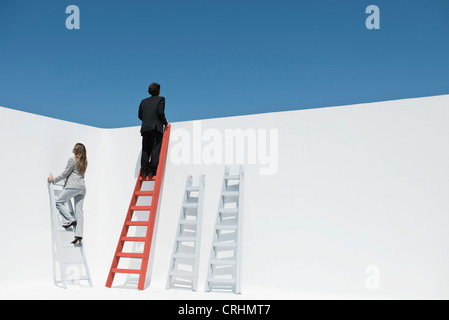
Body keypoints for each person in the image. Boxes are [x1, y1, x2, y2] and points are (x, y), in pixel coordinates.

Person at [47, 143, 88, 245]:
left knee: (59, 202)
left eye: (74, 147)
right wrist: (68, 178)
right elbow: (75, 174)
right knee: (79, 211)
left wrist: (54, 179)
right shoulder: (84, 162)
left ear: (76, 149)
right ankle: (79, 236)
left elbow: (65, 173)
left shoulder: (72, 160)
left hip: (73, 187)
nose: (72, 148)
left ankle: (70, 220)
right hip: (82, 188)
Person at [138, 82, 169, 177]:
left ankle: (144, 171)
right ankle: (152, 171)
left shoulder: (143, 101)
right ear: (158, 91)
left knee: (145, 150)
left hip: (145, 128)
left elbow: (140, 116)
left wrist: (147, 121)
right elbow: (160, 113)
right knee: (155, 149)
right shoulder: (161, 99)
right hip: (155, 128)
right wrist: (165, 123)